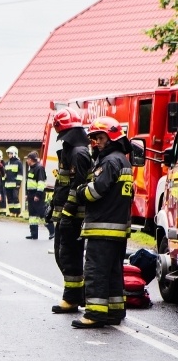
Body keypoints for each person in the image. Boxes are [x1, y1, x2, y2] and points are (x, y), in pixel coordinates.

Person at [72, 117, 133, 328]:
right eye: (94, 138)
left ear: (112, 138)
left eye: (100, 137)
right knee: (113, 272)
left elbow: (95, 191)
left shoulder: (109, 162)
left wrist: (80, 191)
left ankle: (94, 314)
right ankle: (115, 311)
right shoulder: (123, 160)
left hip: (102, 226)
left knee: (96, 271)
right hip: (117, 229)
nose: (96, 142)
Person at [48, 109, 93, 314]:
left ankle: (72, 298)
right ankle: (77, 295)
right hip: (66, 214)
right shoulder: (71, 150)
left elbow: (78, 186)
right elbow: (63, 184)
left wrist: (67, 213)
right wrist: (53, 208)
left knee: (69, 255)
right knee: (62, 254)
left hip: (74, 216)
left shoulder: (79, 153)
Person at [24, 151, 55, 240]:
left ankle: (52, 231)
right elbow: (29, 183)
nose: (27, 161)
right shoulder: (31, 168)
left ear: (31, 159)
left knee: (42, 213)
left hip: (37, 194)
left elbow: (41, 183)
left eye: (27, 159)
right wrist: (27, 194)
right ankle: (34, 234)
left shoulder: (39, 168)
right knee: (32, 215)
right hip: (31, 194)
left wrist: (37, 195)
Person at [4, 146, 24, 216]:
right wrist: (4, 182)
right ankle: (12, 212)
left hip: (15, 184)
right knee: (9, 199)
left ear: (15, 153)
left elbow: (20, 174)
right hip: (7, 185)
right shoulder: (7, 163)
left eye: (11, 154)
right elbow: (5, 174)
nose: (9, 155)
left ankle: (18, 212)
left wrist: (18, 183)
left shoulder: (18, 163)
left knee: (15, 197)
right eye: (9, 154)